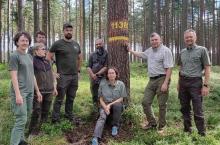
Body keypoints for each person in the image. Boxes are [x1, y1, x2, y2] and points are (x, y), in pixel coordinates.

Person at [127, 32, 174, 133]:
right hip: (151, 80)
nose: (154, 42)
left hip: (162, 78)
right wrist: (131, 51)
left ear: (160, 40)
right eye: (152, 40)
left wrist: (165, 83)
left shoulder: (166, 51)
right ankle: (152, 123)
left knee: (162, 104)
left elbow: (169, 68)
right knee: (145, 102)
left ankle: (162, 126)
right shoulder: (150, 50)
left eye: (156, 40)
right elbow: (142, 55)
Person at [9, 32, 42, 145]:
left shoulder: (29, 56)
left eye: (27, 40)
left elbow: (32, 75)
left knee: (25, 117)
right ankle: (14, 142)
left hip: (29, 92)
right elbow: (13, 76)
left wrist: (37, 91)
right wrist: (17, 94)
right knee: (21, 119)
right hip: (20, 92)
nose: (25, 42)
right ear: (17, 42)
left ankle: (21, 141)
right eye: (22, 40)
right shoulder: (14, 55)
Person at [46, 23, 82, 123]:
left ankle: (69, 115)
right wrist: (52, 72)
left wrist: (78, 71)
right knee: (59, 98)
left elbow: (80, 58)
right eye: (67, 30)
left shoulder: (76, 44)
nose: (69, 32)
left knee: (71, 97)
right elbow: (48, 58)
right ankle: (55, 119)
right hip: (62, 76)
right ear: (63, 31)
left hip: (74, 76)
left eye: (70, 30)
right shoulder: (58, 44)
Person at [178, 29, 211, 136]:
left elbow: (207, 67)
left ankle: (202, 133)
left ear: (195, 38)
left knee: (198, 108)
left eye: (190, 37)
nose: (188, 39)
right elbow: (180, 67)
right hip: (183, 82)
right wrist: (179, 83)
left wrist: (205, 85)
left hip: (195, 83)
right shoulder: (182, 52)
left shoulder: (202, 50)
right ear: (184, 39)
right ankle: (187, 130)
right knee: (184, 107)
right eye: (187, 37)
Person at [91, 67, 127, 145]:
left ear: (116, 74)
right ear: (107, 75)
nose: (111, 75)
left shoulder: (121, 84)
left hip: (115, 105)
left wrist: (110, 105)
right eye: (109, 73)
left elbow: (121, 98)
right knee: (102, 117)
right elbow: (100, 99)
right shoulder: (103, 83)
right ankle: (95, 137)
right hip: (104, 105)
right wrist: (105, 107)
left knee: (118, 105)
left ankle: (115, 126)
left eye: (112, 73)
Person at [28, 43, 58, 135]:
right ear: (36, 51)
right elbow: (32, 77)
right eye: (43, 49)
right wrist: (37, 91)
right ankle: (32, 132)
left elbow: (52, 74)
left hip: (49, 90)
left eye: (45, 49)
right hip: (39, 91)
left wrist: (55, 87)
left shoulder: (47, 61)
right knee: (36, 111)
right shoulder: (32, 61)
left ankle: (42, 130)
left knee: (46, 111)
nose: (45, 50)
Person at [87, 38, 108, 107]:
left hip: (103, 77)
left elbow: (106, 66)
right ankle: (95, 106)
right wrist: (92, 75)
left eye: (100, 44)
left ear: (103, 44)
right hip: (93, 77)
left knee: (103, 92)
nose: (98, 45)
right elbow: (88, 66)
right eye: (97, 44)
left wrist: (97, 74)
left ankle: (103, 106)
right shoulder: (92, 54)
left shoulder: (107, 54)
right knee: (94, 91)